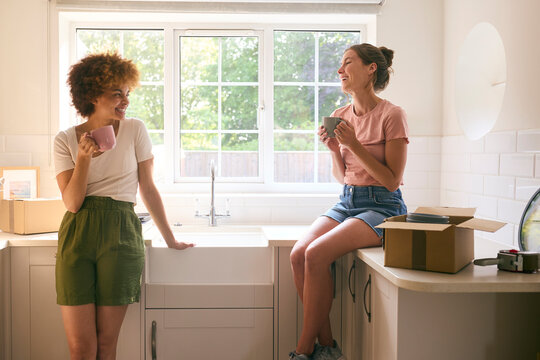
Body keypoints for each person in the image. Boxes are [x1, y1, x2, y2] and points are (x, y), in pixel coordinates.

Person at [54, 52, 194, 360]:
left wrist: (169, 238)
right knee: (80, 348)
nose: (125, 100)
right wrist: (84, 159)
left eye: (127, 93)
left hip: (121, 232)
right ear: (92, 93)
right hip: (78, 234)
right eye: (117, 93)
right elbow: (73, 203)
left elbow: (148, 187)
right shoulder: (64, 139)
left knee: (106, 345)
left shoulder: (135, 130)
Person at [289, 43, 408, 360]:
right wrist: (333, 150)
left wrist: (353, 143)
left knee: (315, 253)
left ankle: (303, 351)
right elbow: (344, 177)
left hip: (383, 206)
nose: (340, 70)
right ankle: (327, 348)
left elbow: (392, 181)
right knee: (298, 253)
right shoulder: (340, 116)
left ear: (371, 68)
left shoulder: (392, 115)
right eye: (340, 65)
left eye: (347, 63)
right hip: (348, 200)